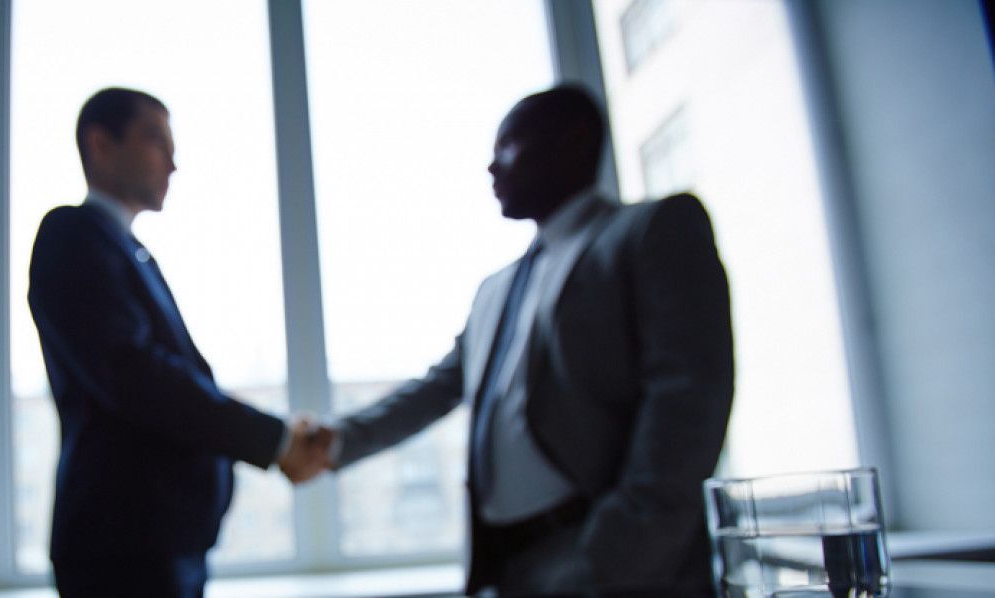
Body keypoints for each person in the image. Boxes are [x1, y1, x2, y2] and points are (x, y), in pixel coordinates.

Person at [314, 85, 734, 596]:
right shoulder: (495, 289)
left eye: (507, 146)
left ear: (575, 141)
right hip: (507, 568)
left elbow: (687, 397)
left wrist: (622, 545)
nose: (492, 168)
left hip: (613, 562)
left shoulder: (651, 232)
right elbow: (438, 388)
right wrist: (334, 443)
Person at [27, 87, 330, 598]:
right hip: (122, 548)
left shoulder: (129, 250)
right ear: (101, 143)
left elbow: (169, 377)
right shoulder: (71, 234)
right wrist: (274, 440)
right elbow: (134, 373)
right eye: (155, 141)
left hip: (158, 543)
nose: (173, 162)